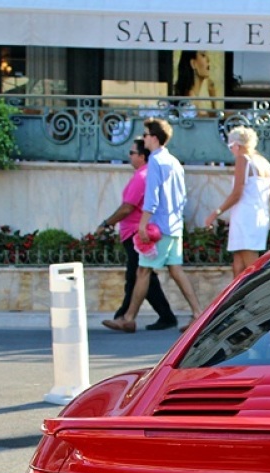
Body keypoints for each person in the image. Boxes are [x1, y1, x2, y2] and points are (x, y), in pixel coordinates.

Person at [103, 119, 203, 333]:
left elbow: (152, 197)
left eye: (146, 134)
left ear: (155, 138)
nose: (144, 138)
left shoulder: (156, 161)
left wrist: (143, 223)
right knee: (175, 269)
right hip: (174, 225)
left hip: (159, 226)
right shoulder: (174, 162)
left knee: (143, 270)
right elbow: (182, 196)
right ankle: (198, 314)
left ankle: (128, 318)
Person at [97, 137, 178, 331]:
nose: (129, 156)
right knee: (145, 277)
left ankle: (124, 317)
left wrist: (106, 223)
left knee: (136, 277)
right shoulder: (148, 174)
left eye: (132, 153)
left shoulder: (142, 177)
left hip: (136, 233)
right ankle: (166, 316)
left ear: (142, 156)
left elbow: (127, 208)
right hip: (139, 232)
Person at [204, 126, 270, 279]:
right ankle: (239, 301)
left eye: (230, 146)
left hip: (245, 218)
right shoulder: (264, 163)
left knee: (251, 267)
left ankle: (263, 297)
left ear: (237, 145)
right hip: (258, 217)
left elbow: (237, 193)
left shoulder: (243, 159)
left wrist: (215, 213)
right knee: (239, 266)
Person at [173, 50, 219, 115]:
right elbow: (203, 119)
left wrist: (213, 97)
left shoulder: (197, 97)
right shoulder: (190, 98)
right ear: (193, 63)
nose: (208, 59)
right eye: (203, 55)